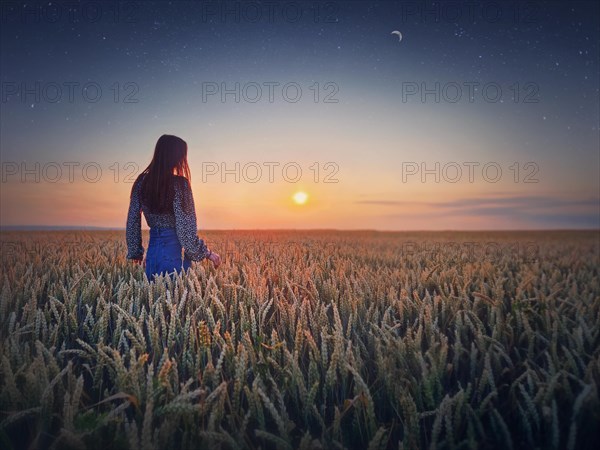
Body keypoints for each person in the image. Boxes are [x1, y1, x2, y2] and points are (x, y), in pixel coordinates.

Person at [126, 134, 221, 281]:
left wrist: (136, 251)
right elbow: (185, 232)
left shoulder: (141, 182)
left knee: (155, 301)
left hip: (152, 256)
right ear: (175, 156)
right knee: (173, 300)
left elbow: (133, 220)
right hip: (173, 259)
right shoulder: (180, 185)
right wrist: (208, 253)